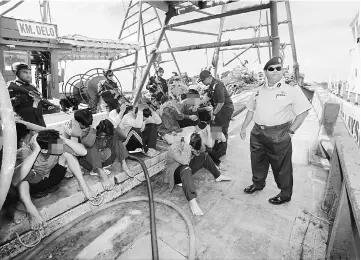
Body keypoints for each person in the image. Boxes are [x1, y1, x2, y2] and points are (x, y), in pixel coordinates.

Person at [240, 57, 312, 205]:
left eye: (279, 68)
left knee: (282, 166)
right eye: (271, 69)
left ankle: (285, 194)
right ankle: (258, 184)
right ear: (265, 72)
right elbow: (250, 110)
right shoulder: (258, 90)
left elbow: (304, 111)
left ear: (282, 71)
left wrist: (291, 132)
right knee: (257, 161)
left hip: (279, 133)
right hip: (257, 132)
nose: (275, 71)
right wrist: (243, 127)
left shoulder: (291, 89)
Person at [11, 126, 97, 229]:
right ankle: (32, 211)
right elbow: (15, 181)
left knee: (68, 155)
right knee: (22, 181)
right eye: (58, 144)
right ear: (43, 150)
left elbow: (83, 152)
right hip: (35, 185)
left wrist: (63, 139)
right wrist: (35, 152)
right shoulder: (25, 152)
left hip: (52, 179)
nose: (61, 146)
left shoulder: (55, 146)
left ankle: (84, 187)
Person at [166, 133, 231, 216]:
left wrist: (199, 144)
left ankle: (218, 175)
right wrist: (188, 148)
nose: (193, 150)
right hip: (175, 174)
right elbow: (184, 162)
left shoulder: (206, 129)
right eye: (192, 149)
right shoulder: (174, 148)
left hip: (187, 163)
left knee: (204, 155)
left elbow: (204, 149)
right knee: (186, 168)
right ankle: (192, 201)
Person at [63, 109, 133, 186]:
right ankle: (101, 173)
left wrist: (114, 125)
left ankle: (124, 164)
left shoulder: (90, 127)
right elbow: (86, 145)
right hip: (85, 161)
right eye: (85, 125)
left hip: (98, 159)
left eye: (89, 124)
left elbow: (123, 137)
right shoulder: (71, 128)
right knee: (89, 147)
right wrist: (67, 135)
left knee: (115, 139)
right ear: (77, 122)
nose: (87, 127)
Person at [7, 62, 56, 127]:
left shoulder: (32, 86)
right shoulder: (11, 87)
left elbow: (37, 104)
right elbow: (8, 106)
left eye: (29, 72)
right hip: (25, 125)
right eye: (25, 72)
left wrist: (47, 107)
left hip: (39, 122)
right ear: (17, 73)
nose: (28, 75)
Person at [197, 70, 234, 143]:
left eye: (202, 80)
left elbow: (221, 103)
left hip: (225, 109)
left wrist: (214, 113)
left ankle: (222, 148)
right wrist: (197, 102)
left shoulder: (218, 85)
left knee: (222, 129)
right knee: (215, 127)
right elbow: (208, 96)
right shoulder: (211, 85)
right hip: (219, 108)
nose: (202, 82)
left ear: (207, 78)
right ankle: (216, 144)